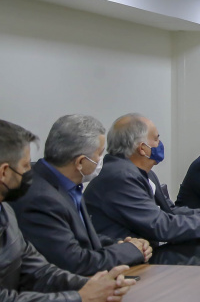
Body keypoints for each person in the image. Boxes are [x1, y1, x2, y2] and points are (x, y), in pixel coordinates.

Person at [0, 120, 136, 302]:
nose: (31, 172)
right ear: (4, 172)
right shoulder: (37, 198)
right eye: (26, 166)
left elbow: (38, 270)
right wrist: (79, 298)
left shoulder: (6, 210)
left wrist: (94, 286)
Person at [13, 115, 151, 275]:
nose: (102, 160)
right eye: (99, 154)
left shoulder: (66, 183)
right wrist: (130, 251)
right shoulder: (40, 198)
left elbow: (81, 237)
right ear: (80, 162)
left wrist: (121, 244)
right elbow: (76, 262)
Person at [84, 114, 200, 246]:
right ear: (142, 148)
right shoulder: (120, 177)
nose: (160, 144)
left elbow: (170, 211)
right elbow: (161, 227)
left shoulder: (144, 173)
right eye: (156, 139)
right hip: (122, 264)